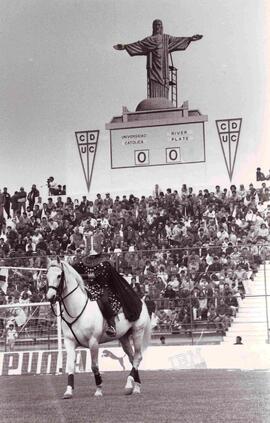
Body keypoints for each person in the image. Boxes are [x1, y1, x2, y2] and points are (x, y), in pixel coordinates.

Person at [72, 235, 142, 337]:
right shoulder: (84, 262)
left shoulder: (104, 263)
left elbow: (96, 276)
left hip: (102, 287)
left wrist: (81, 276)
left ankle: (112, 325)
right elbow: (75, 268)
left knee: (104, 301)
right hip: (88, 287)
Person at [114, 19, 202, 98]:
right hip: (153, 67)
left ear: (162, 27)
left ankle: (164, 101)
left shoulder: (166, 38)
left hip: (163, 67)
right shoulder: (148, 40)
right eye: (156, 25)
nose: (157, 26)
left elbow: (177, 40)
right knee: (153, 83)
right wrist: (125, 46)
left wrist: (190, 39)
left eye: (159, 25)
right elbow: (139, 45)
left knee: (164, 83)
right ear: (153, 27)